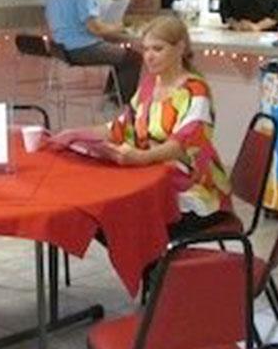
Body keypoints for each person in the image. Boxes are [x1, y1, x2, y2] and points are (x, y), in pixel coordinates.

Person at [52, 17, 234, 239]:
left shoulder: (195, 91)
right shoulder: (150, 85)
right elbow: (120, 127)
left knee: (121, 218)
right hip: (157, 178)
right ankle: (150, 269)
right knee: (100, 213)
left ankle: (152, 269)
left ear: (180, 48)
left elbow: (183, 144)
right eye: (146, 49)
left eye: (158, 49)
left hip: (197, 193)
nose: (149, 56)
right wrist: (75, 134)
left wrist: (141, 157)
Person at [44, 0, 142, 103]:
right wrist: (119, 26)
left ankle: (112, 96)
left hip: (60, 47)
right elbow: (95, 28)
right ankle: (122, 103)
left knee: (118, 55)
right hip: (81, 49)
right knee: (133, 58)